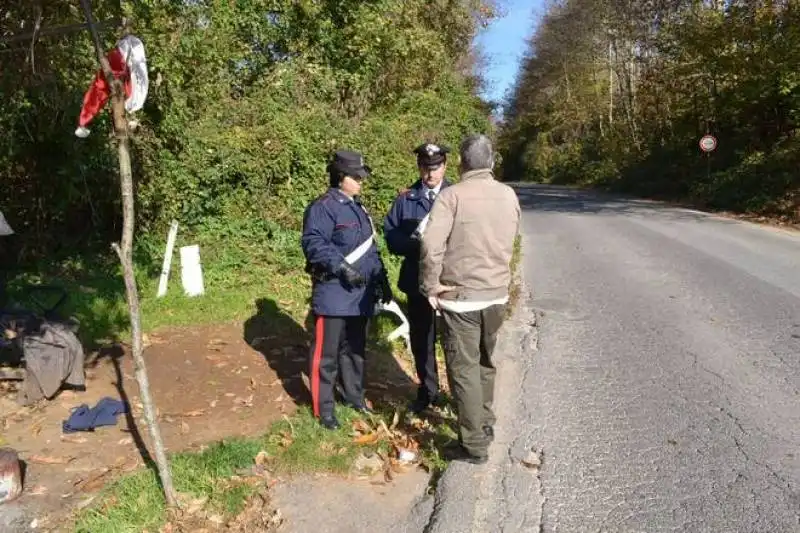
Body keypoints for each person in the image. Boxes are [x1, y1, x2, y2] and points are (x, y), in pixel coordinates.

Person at [419, 134, 521, 464]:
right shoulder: (508, 195)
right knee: (485, 361)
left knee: (463, 369)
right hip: (495, 295)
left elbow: (431, 246)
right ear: (491, 162)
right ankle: (485, 422)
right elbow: (511, 237)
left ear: (462, 163)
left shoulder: (451, 196)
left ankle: (474, 443)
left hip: (460, 297)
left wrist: (432, 286)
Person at [301, 149, 393, 430]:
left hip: (360, 296)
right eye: (356, 177)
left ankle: (354, 397)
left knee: (354, 351)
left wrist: (382, 280)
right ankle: (324, 409)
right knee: (325, 356)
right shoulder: (323, 207)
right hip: (334, 293)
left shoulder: (358, 207)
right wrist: (341, 268)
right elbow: (313, 243)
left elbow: (370, 249)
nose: (361, 181)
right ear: (340, 177)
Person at [383, 142, 452, 414]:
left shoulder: (457, 195)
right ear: (418, 167)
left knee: (455, 341)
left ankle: (460, 396)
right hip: (417, 280)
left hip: (450, 281)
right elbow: (391, 237)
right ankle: (428, 391)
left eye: (435, 167)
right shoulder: (406, 199)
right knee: (422, 340)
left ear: (444, 166)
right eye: (425, 167)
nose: (430, 174)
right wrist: (419, 244)